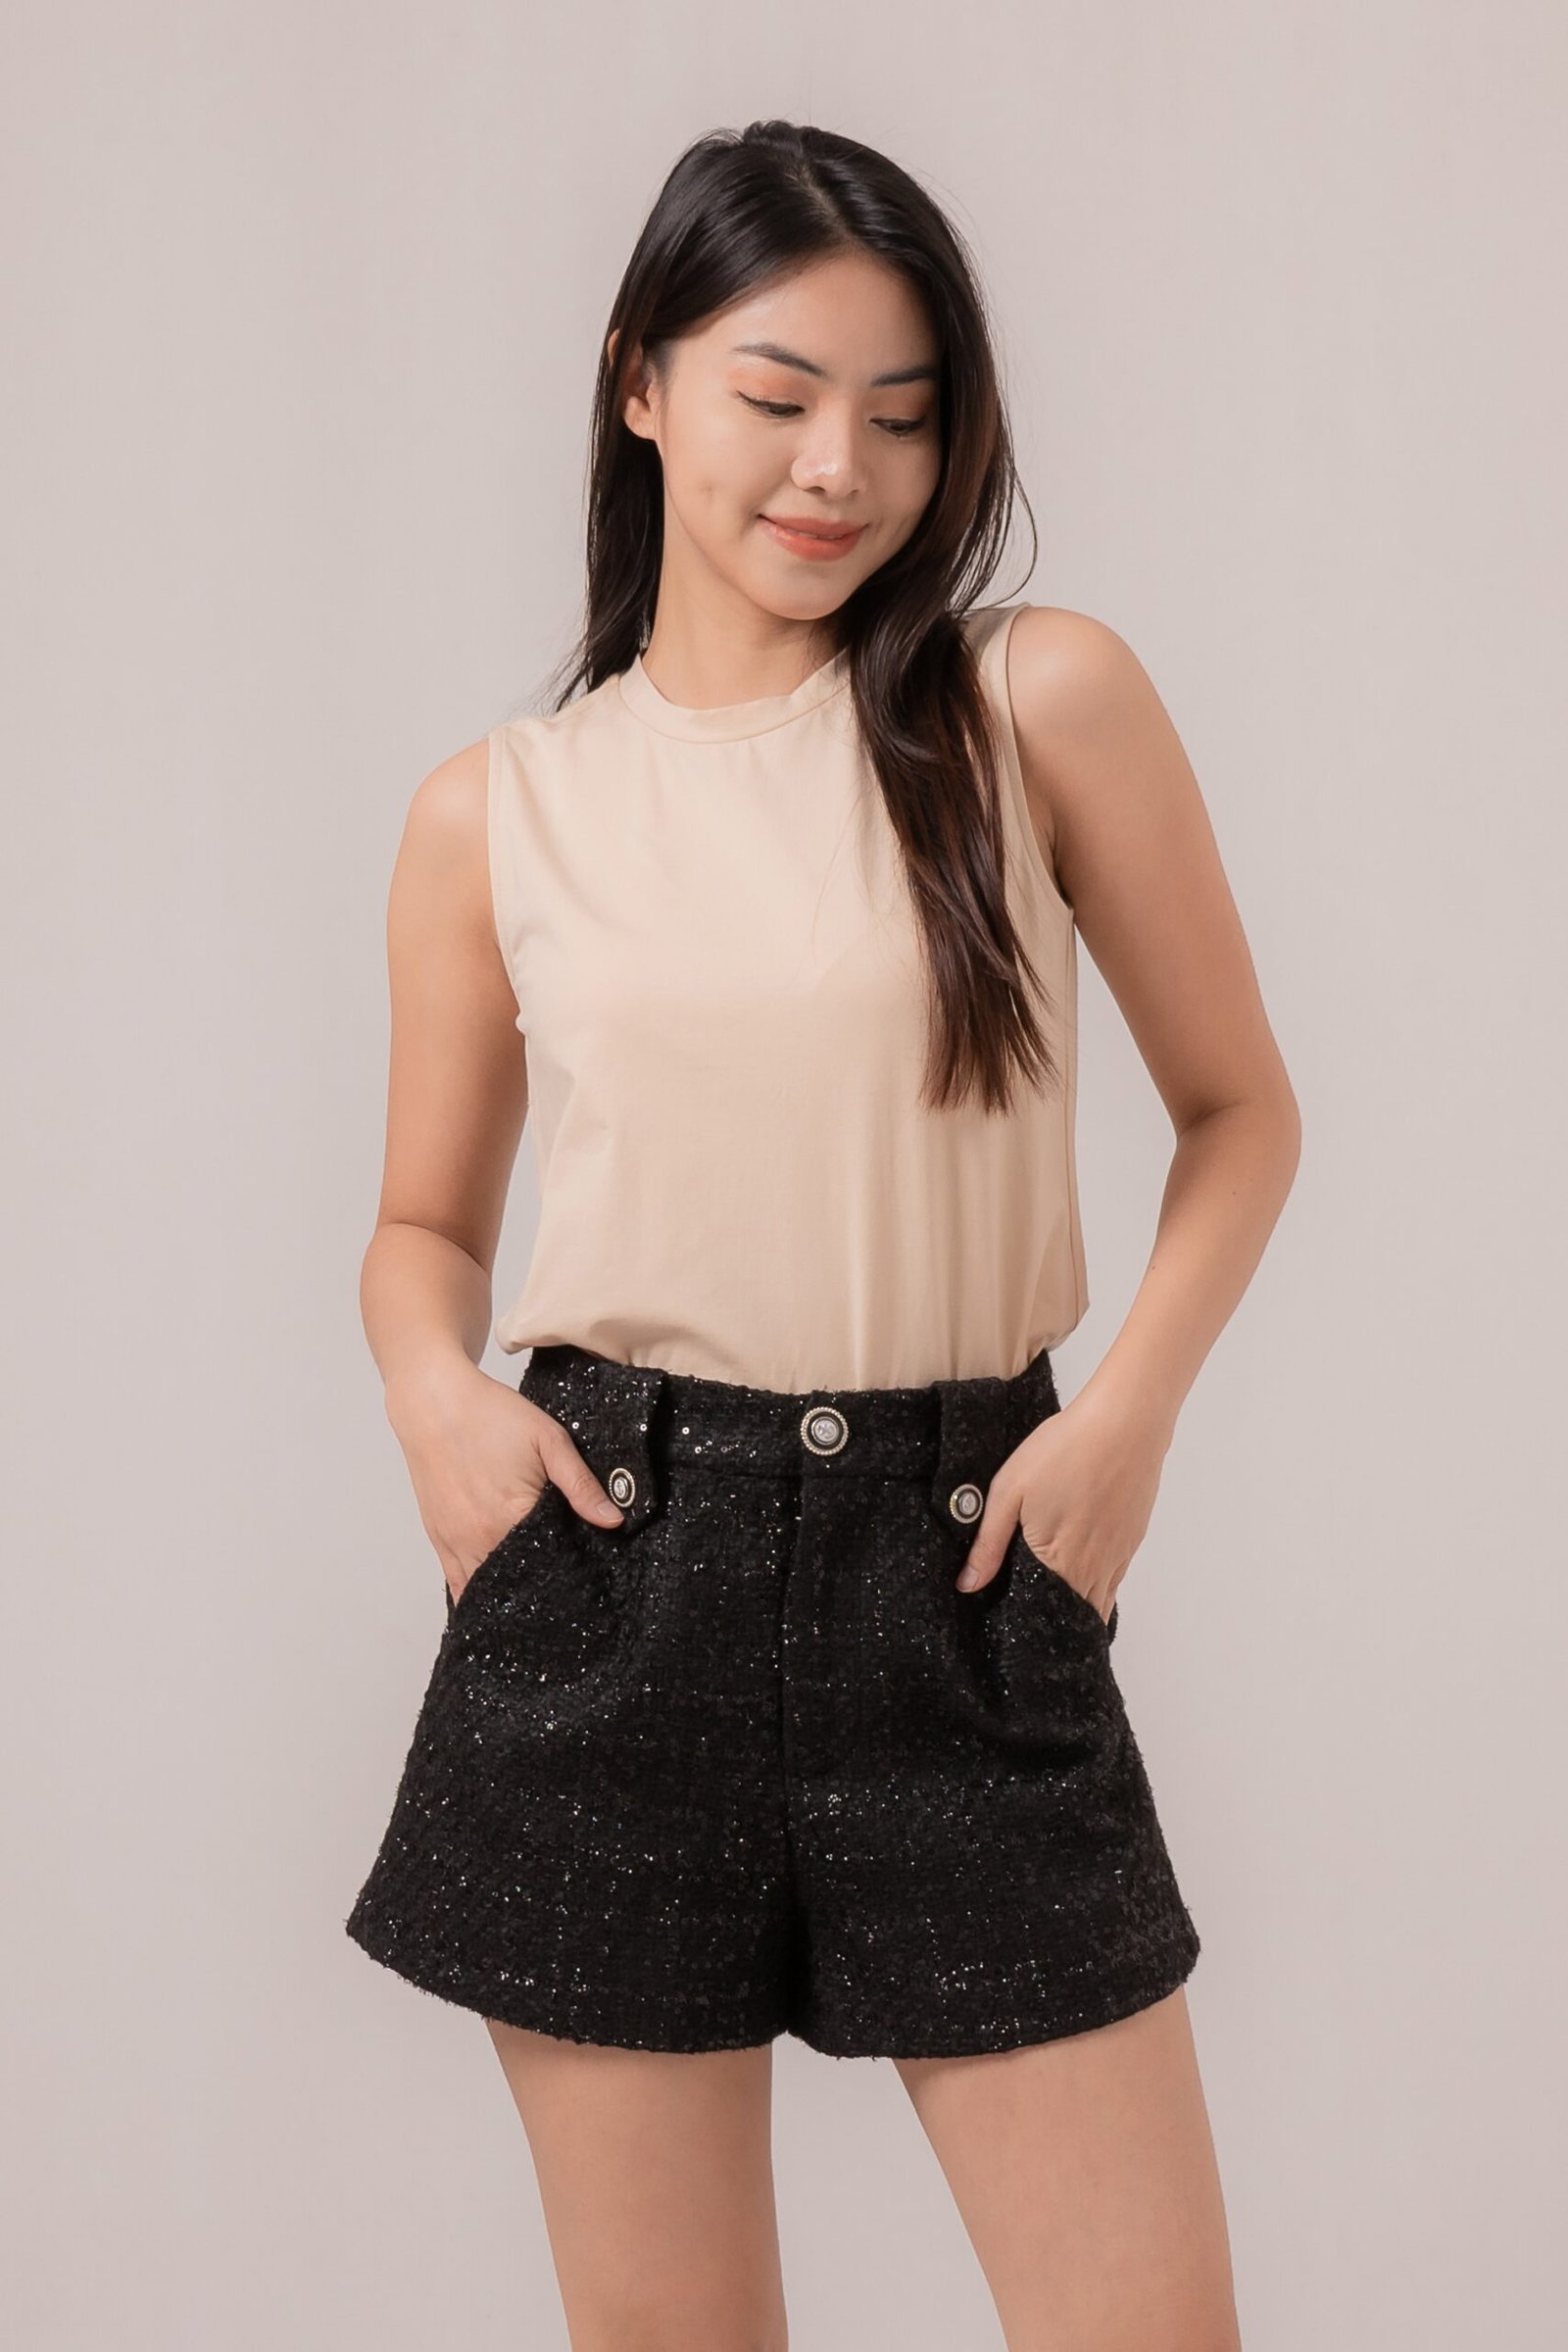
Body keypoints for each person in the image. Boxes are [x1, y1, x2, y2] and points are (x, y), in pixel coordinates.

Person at [345, 117, 1296, 2352]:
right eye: (775, 395)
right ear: (640, 382)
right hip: (615, 1575)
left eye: (901, 413)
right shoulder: (498, 811)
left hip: (963, 1572)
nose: (836, 469)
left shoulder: (1031, 703)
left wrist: (1127, 1418)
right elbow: (418, 1222)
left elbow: (1242, 1111)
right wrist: (432, 1400)